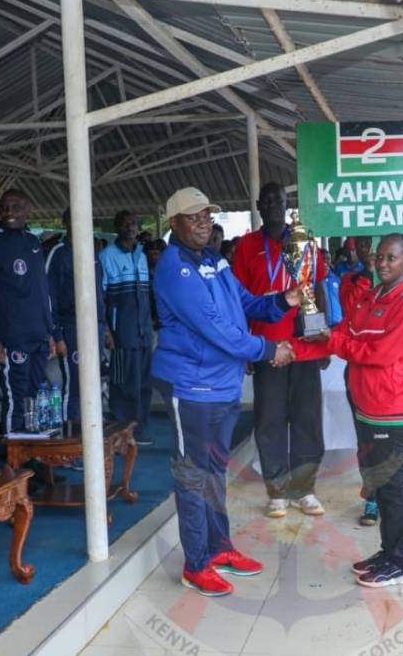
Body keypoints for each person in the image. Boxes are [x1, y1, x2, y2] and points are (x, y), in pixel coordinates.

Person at [151, 186, 301, 597]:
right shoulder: (174, 269)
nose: (204, 222)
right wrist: (269, 349)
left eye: (208, 215)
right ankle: (195, 563)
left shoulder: (214, 261)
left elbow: (247, 304)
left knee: (215, 471)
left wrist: (284, 300)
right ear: (175, 223)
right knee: (193, 475)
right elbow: (218, 329)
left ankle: (219, 549)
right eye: (194, 216)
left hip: (222, 384)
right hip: (192, 387)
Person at [292, 234, 403, 588]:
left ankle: (401, 562)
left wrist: (330, 339)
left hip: (389, 406)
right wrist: (297, 348)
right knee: (379, 482)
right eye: (380, 256)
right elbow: (345, 337)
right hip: (365, 403)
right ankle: (388, 551)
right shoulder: (371, 296)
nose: (383, 263)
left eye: (392, 258)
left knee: (394, 484)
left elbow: (378, 354)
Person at [232, 182, 327, 518]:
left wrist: (322, 338)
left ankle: (305, 489)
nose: (273, 204)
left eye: (279, 199)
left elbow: (317, 288)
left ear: (287, 204)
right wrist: (245, 347)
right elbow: (238, 302)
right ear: (258, 204)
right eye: (268, 200)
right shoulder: (246, 246)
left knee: (307, 418)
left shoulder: (304, 239)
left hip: (303, 344)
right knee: (269, 419)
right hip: (267, 347)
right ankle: (276, 489)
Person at [0, 189, 58, 433]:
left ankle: (32, 454)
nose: (9, 212)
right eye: (4, 207)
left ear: (27, 210)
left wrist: (51, 332)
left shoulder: (33, 241)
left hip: (39, 335)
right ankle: (14, 462)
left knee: (36, 394)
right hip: (12, 336)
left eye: (15, 207)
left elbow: (43, 292)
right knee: (17, 395)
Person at [46, 208, 107, 427]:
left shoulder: (92, 251)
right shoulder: (59, 252)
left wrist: (105, 327)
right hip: (71, 327)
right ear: (65, 223)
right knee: (75, 384)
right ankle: (72, 441)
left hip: (95, 328)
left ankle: (93, 434)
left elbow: (99, 291)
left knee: (94, 381)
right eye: (75, 219)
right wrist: (57, 334)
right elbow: (49, 296)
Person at [100, 210, 154, 445]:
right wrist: (106, 330)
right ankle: (122, 433)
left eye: (133, 223)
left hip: (143, 331)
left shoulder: (141, 254)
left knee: (143, 383)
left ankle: (139, 430)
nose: (130, 227)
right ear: (117, 227)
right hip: (122, 332)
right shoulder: (107, 256)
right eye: (124, 224)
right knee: (123, 384)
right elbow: (100, 297)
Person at [336, 235, 379, 527]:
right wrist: (367, 277)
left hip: (389, 379)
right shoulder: (350, 282)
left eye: (375, 245)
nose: (370, 252)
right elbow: (351, 316)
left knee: (388, 441)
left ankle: (393, 494)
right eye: (363, 246)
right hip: (357, 372)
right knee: (365, 439)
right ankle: (372, 496)